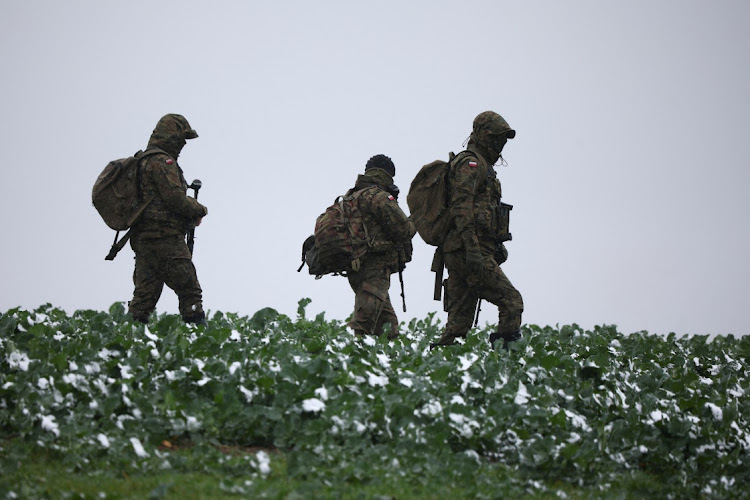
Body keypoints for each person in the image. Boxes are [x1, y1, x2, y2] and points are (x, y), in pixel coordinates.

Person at [431, 111, 524, 348]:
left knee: (458, 324)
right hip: (467, 250)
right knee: (511, 301)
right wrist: (473, 249)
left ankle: (441, 369)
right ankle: (507, 366)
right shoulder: (471, 163)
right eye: (496, 138)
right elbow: (461, 206)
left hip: (464, 249)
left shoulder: (481, 166)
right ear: (482, 135)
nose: (500, 145)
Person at [127, 114, 208, 325]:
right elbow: (175, 199)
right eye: (181, 139)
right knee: (189, 291)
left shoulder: (142, 161)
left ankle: (125, 344)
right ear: (172, 136)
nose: (182, 145)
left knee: (143, 299)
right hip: (166, 240)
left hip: (143, 240)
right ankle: (199, 340)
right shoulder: (163, 162)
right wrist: (199, 209)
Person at [346, 154, 416, 339]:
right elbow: (404, 230)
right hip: (375, 268)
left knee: (388, 326)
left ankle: (387, 364)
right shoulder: (378, 197)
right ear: (388, 175)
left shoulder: (352, 196)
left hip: (355, 267)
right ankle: (352, 362)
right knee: (364, 324)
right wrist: (416, 218)